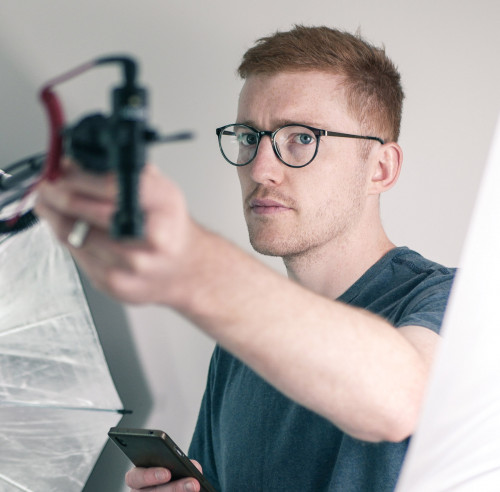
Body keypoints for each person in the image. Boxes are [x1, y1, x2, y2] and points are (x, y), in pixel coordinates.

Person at [35, 25, 455, 491]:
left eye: (301, 138)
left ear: (380, 168)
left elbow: (402, 399)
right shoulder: (240, 348)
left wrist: (193, 261)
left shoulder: (454, 302)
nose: (260, 168)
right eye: (249, 137)